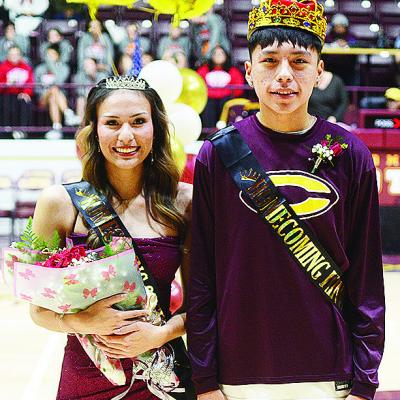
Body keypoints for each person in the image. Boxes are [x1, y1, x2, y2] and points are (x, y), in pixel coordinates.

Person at [187, 1, 385, 400]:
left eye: (298, 61)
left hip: (329, 373)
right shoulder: (217, 155)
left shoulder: (351, 154)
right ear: (249, 70)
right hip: (236, 373)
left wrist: (365, 381)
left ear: (320, 71)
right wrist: (204, 380)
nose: (283, 76)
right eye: (269, 61)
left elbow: (366, 281)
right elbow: (201, 276)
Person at [30, 75, 193, 399]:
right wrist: (83, 321)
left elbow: (205, 304)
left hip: (164, 376)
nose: (126, 136)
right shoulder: (59, 204)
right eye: (112, 123)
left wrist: (160, 334)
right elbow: (38, 311)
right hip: (87, 376)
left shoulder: (185, 202)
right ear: (94, 130)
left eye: (138, 122)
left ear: (156, 128)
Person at [34, 44, 81, 139]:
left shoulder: (64, 68)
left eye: (53, 54)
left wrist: (51, 65)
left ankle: (57, 128)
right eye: (48, 55)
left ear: (58, 55)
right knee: (53, 89)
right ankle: (68, 113)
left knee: (53, 97)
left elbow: (59, 80)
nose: (50, 57)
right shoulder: (40, 68)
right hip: (42, 98)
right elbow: (36, 87)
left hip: (59, 98)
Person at [197, 45, 245, 128]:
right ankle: (209, 131)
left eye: (221, 53)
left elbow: (239, 87)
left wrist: (229, 93)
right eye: (215, 53)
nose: (218, 56)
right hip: (209, 99)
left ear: (226, 55)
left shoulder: (232, 70)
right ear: (211, 56)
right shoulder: (204, 69)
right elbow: (198, 82)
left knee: (227, 104)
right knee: (207, 105)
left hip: (226, 99)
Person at [0, 45, 34, 133]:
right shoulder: (2, 67)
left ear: (20, 56)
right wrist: (7, 84)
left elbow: (30, 83)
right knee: (8, 101)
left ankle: (22, 130)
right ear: (8, 55)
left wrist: (26, 93)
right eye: (12, 54)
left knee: (24, 102)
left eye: (16, 54)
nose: (14, 57)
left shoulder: (26, 67)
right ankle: (7, 130)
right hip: (6, 94)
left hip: (21, 94)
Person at [324, 13, 358, 85]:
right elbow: (323, 45)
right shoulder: (327, 37)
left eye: (342, 26)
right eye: (337, 26)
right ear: (333, 27)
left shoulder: (351, 37)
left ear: (346, 27)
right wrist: (333, 44)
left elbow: (356, 44)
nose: (339, 29)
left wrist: (347, 44)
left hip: (347, 67)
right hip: (330, 66)